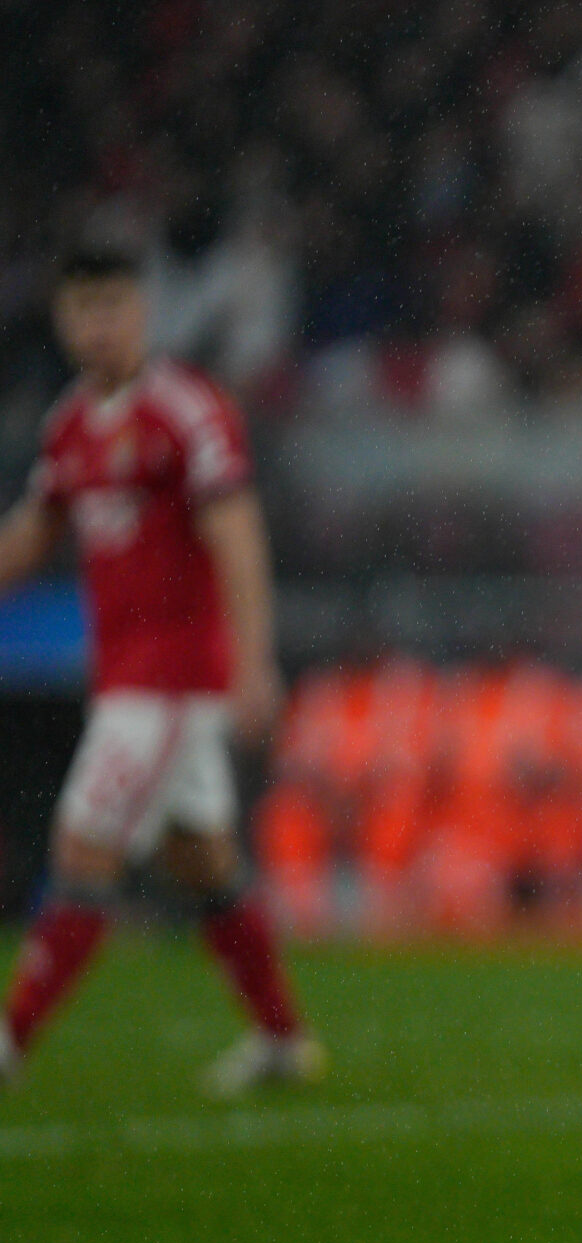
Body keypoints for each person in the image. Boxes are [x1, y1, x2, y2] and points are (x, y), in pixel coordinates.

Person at [0, 242, 322, 1096]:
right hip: (126, 677)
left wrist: (253, 660)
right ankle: (283, 1039)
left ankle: (10, 1040)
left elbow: (237, 533)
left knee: (83, 846)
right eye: (82, 310)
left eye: (113, 306)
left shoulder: (188, 411)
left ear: (141, 312)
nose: (98, 326)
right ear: (64, 319)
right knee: (203, 861)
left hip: (173, 681)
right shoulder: (69, 424)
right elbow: (34, 533)